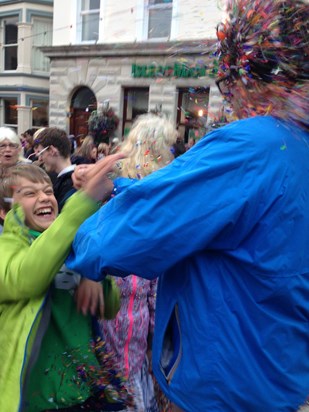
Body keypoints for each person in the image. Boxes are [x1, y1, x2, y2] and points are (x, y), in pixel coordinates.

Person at [67, 0, 309, 410]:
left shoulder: (252, 146)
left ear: (247, 71)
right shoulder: (294, 147)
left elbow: (121, 239)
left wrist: (88, 216)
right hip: (282, 376)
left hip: (224, 386)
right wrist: (121, 188)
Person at [0, 160, 124, 412]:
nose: (44, 198)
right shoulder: (6, 249)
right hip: (33, 400)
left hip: (84, 392)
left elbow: (110, 308)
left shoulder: (74, 246)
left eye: (48, 191)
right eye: (29, 193)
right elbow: (28, 277)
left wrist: (93, 275)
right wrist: (78, 208)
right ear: (5, 211)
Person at [98, 113, 176, 412]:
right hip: (125, 316)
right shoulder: (143, 196)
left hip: (127, 321)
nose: (173, 153)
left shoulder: (118, 188)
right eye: (169, 146)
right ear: (155, 149)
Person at [36, 127, 77, 211]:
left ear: (52, 150)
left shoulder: (70, 183)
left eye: (41, 153)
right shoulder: (73, 178)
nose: (40, 159)